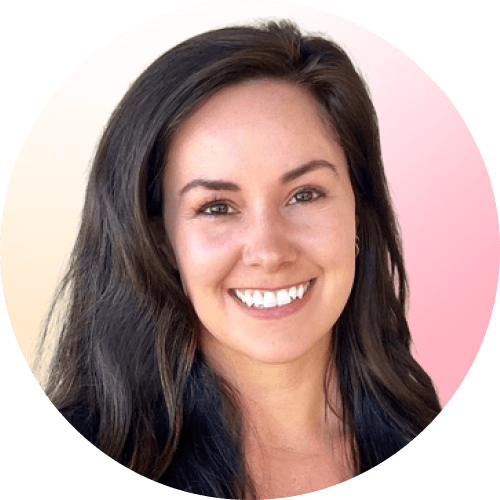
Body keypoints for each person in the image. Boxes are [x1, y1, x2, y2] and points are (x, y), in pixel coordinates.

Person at [39, 20, 441, 499]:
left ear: (360, 211)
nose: (269, 252)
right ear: (158, 241)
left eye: (305, 194)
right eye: (216, 208)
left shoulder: (417, 423)